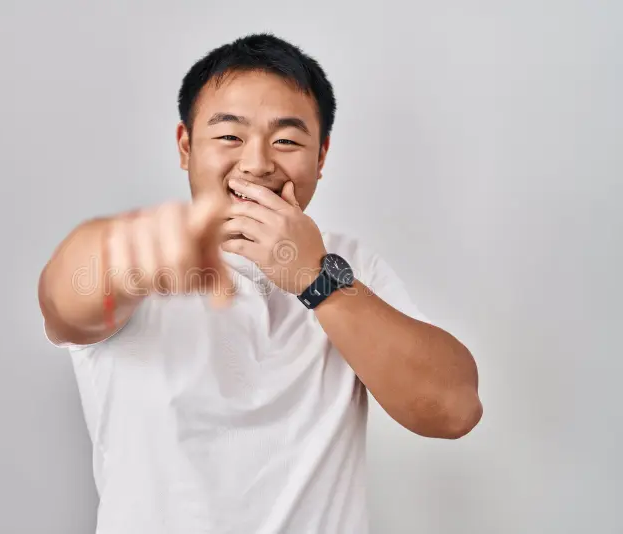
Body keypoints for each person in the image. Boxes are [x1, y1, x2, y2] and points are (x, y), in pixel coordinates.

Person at [38, 33, 482, 534]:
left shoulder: (353, 265)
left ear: (321, 156)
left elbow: (453, 409)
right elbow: (65, 299)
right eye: (230, 136)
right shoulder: (148, 252)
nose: (256, 164)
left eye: (286, 140)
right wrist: (122, 261)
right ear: (186, 146)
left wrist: (316, 277)